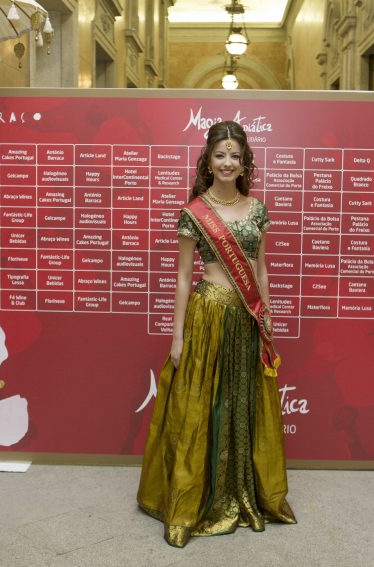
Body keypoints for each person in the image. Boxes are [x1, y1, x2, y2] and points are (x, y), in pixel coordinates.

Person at [137, 121, 296, 547]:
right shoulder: (194, 212)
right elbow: (183, 278)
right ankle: (199, 497)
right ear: (208, 161)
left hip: (247, 318)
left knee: (243, 402)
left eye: (235, 156)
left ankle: (243, 491)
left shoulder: (257, 210)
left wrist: (267, 316)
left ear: (245, 163)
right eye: (221, 155)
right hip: (207, 316)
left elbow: (261, 270)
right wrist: (176, 337)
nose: (228, 163)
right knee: (203, 405)